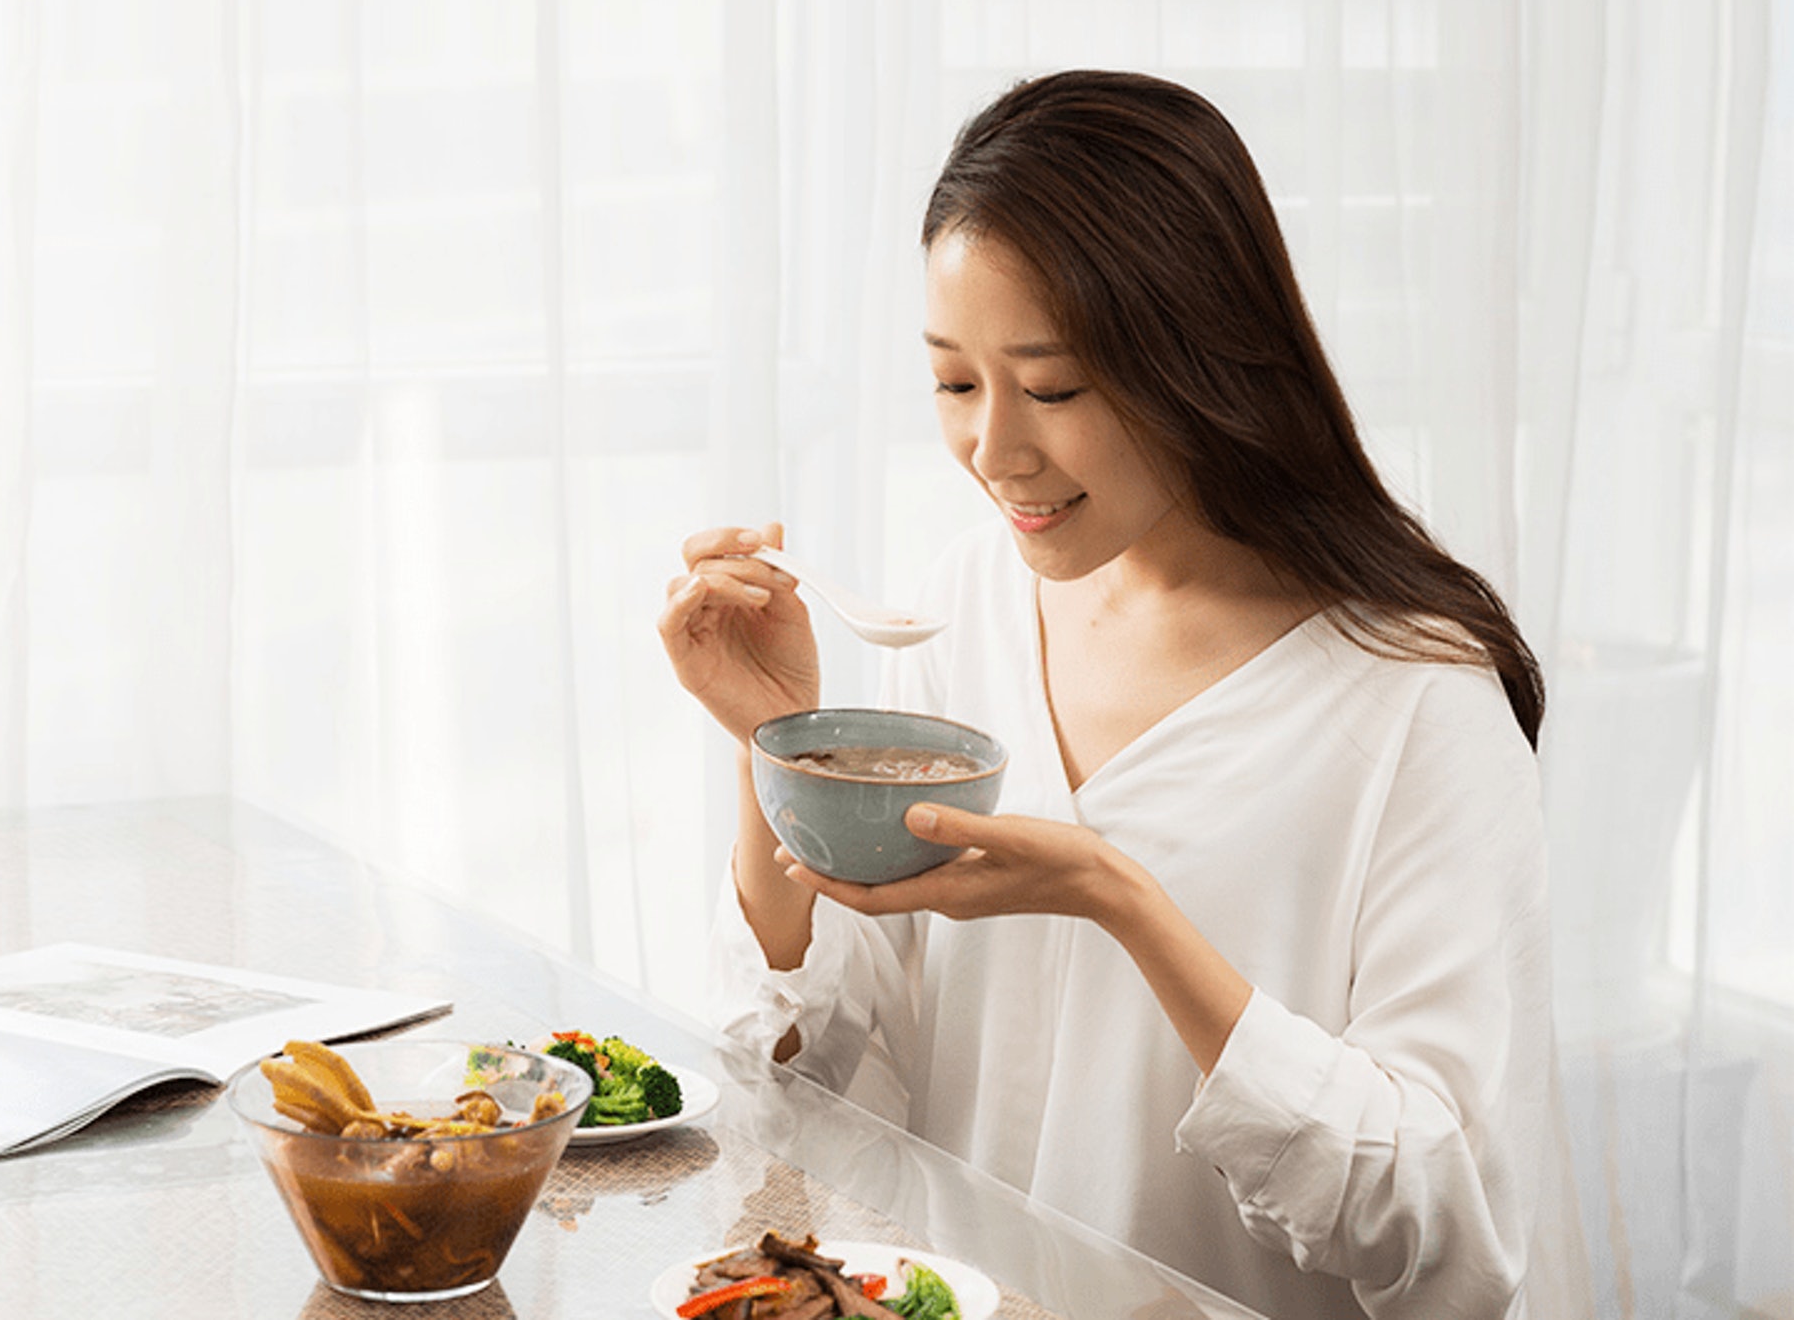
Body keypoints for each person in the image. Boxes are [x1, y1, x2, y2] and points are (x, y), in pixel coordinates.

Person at [659, 70, 1557, 1320]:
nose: (996, 450)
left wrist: (1123, 900)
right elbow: (801, 1080)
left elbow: (1443, 1229)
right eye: (957, 383)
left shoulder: (1416, 701)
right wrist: (779, 747)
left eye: (1057, 387)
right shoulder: (967, 599)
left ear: (1202, 360)